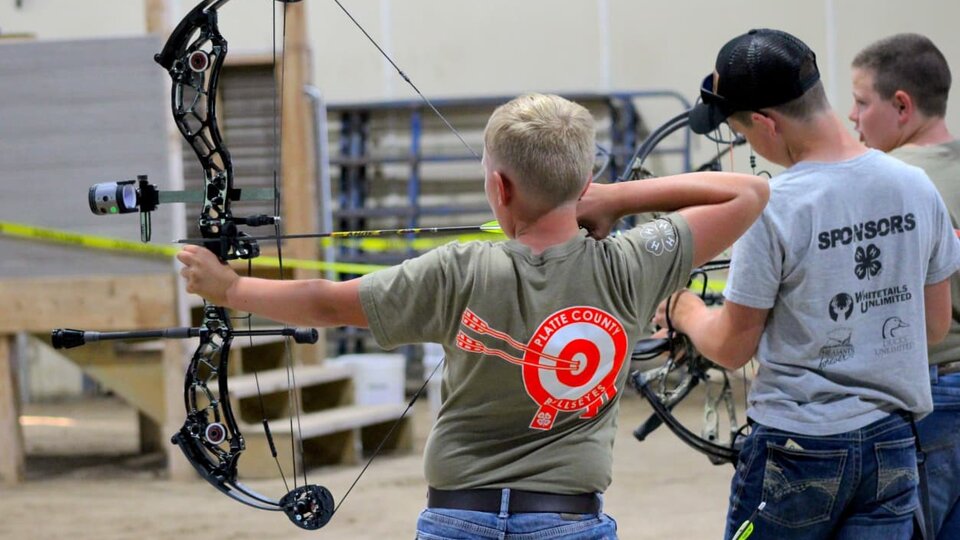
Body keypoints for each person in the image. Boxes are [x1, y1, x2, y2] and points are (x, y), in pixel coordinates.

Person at [177, 92, 769, 539]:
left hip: (459, 516)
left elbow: (326, 302)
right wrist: (615, 197)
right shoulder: (632, 263)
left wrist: (231, 287)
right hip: (567, 518)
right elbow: (749, 193)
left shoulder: (457, 270)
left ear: (498, 187)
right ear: (586, 180)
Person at [657, 29, 960, 539]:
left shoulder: (774, 206)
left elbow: (732, 346)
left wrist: (684, 309)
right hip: (893, 445)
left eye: (741, 132)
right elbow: (931, 327)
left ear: (765, 123)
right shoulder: (915, 186)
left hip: (798, 451)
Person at [850, 33, 960, 539]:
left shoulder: (891, 181)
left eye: (860, 101)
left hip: (931, 392)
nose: (853, 117)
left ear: (901, 105)